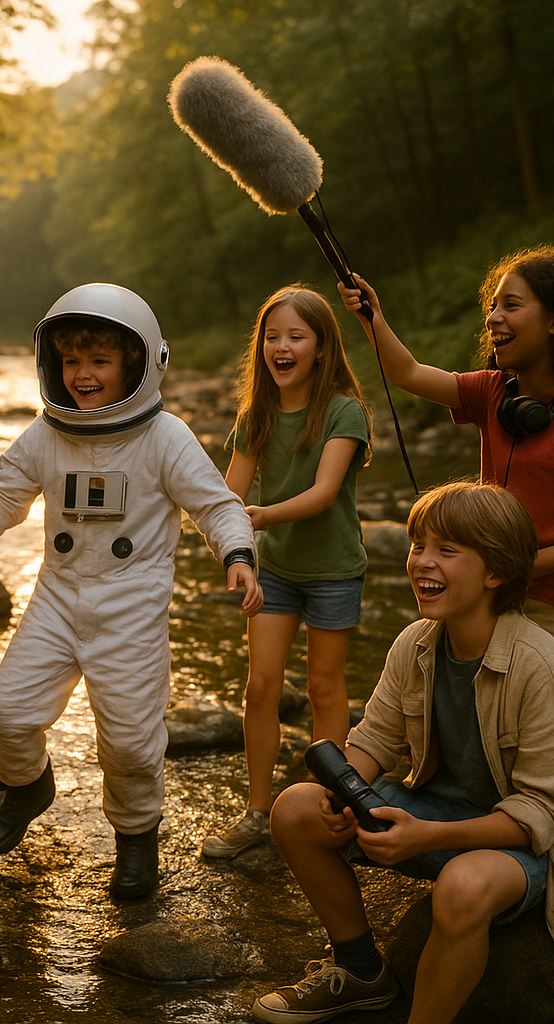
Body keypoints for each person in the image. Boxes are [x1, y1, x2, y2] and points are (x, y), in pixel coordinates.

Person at [0, 282, 262, 899]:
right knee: (5, 713)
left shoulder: (164, 437)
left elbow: (216, 504)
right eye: (70, 361)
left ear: (138, 364)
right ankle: (28, 786)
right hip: (59, 597)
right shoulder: (46, 435)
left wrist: (238, 553)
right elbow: (3, 497)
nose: (82, 375)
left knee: (129, 744)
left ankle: (136, 841)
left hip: (132, 606)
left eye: (99, 361)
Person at [253, 481, 554, 1024]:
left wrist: (427, 837)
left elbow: (539, 816)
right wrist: (343, 791)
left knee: (463, 887)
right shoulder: (416, 641)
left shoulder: (542, 667)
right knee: (298, 808)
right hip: (441, 810)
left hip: (529, 848)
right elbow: (373, 740)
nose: (422, 561)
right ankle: (361, 971)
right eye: (419, 545)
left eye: (447, 550)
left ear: (496, 573)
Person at [340, 247, 554, 696]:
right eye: (492, 306)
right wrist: (372, 318)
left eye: (511, 305)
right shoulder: (492, 392)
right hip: (490, 601)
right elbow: (408, 373)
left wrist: (528, 565)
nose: (492, 318)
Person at [201, 286, 371, 859]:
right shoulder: (256, 417)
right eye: (273, 336)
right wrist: (235, 548)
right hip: (274, 571)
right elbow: (228, 497)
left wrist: (262, 516)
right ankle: (256, 813)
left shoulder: (345, 412)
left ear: (321, 348)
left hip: (333, 572)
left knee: (325, 687)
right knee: (260, 687)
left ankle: (334, 809)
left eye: (296, 336)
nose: (282, 346)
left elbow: (324, 494)